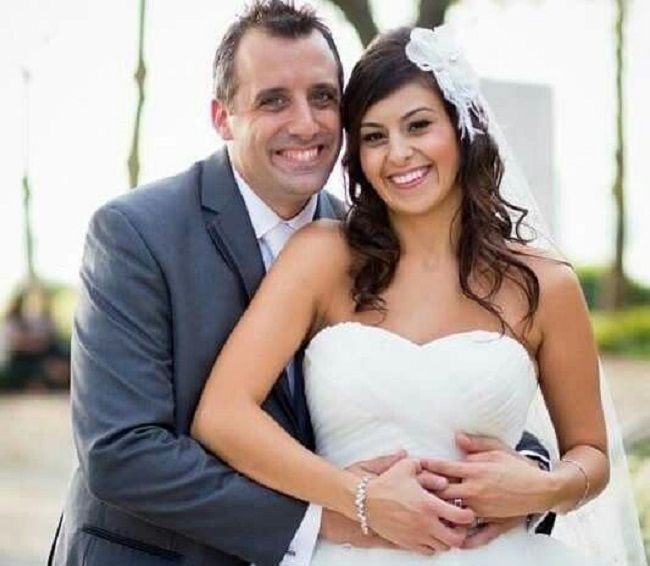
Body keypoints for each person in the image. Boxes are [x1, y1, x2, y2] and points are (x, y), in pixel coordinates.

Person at [49, 3, 552, 565]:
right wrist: (338, 515)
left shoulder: (373, 241)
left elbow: (440, 384)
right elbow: (122, 453)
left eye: (322, 97)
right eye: (273, 100)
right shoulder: (137, 233)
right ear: (223, 117)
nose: (306, 124)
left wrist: (529, 480)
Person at [190, 25, 622, 564]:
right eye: (373, 136)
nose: (398, 154)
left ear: (463, 129)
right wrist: (360, 498)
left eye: (418, 125)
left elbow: (592, 453)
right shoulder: (324, 256)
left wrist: (539, 489)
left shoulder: (545, 285)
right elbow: (222, 414)